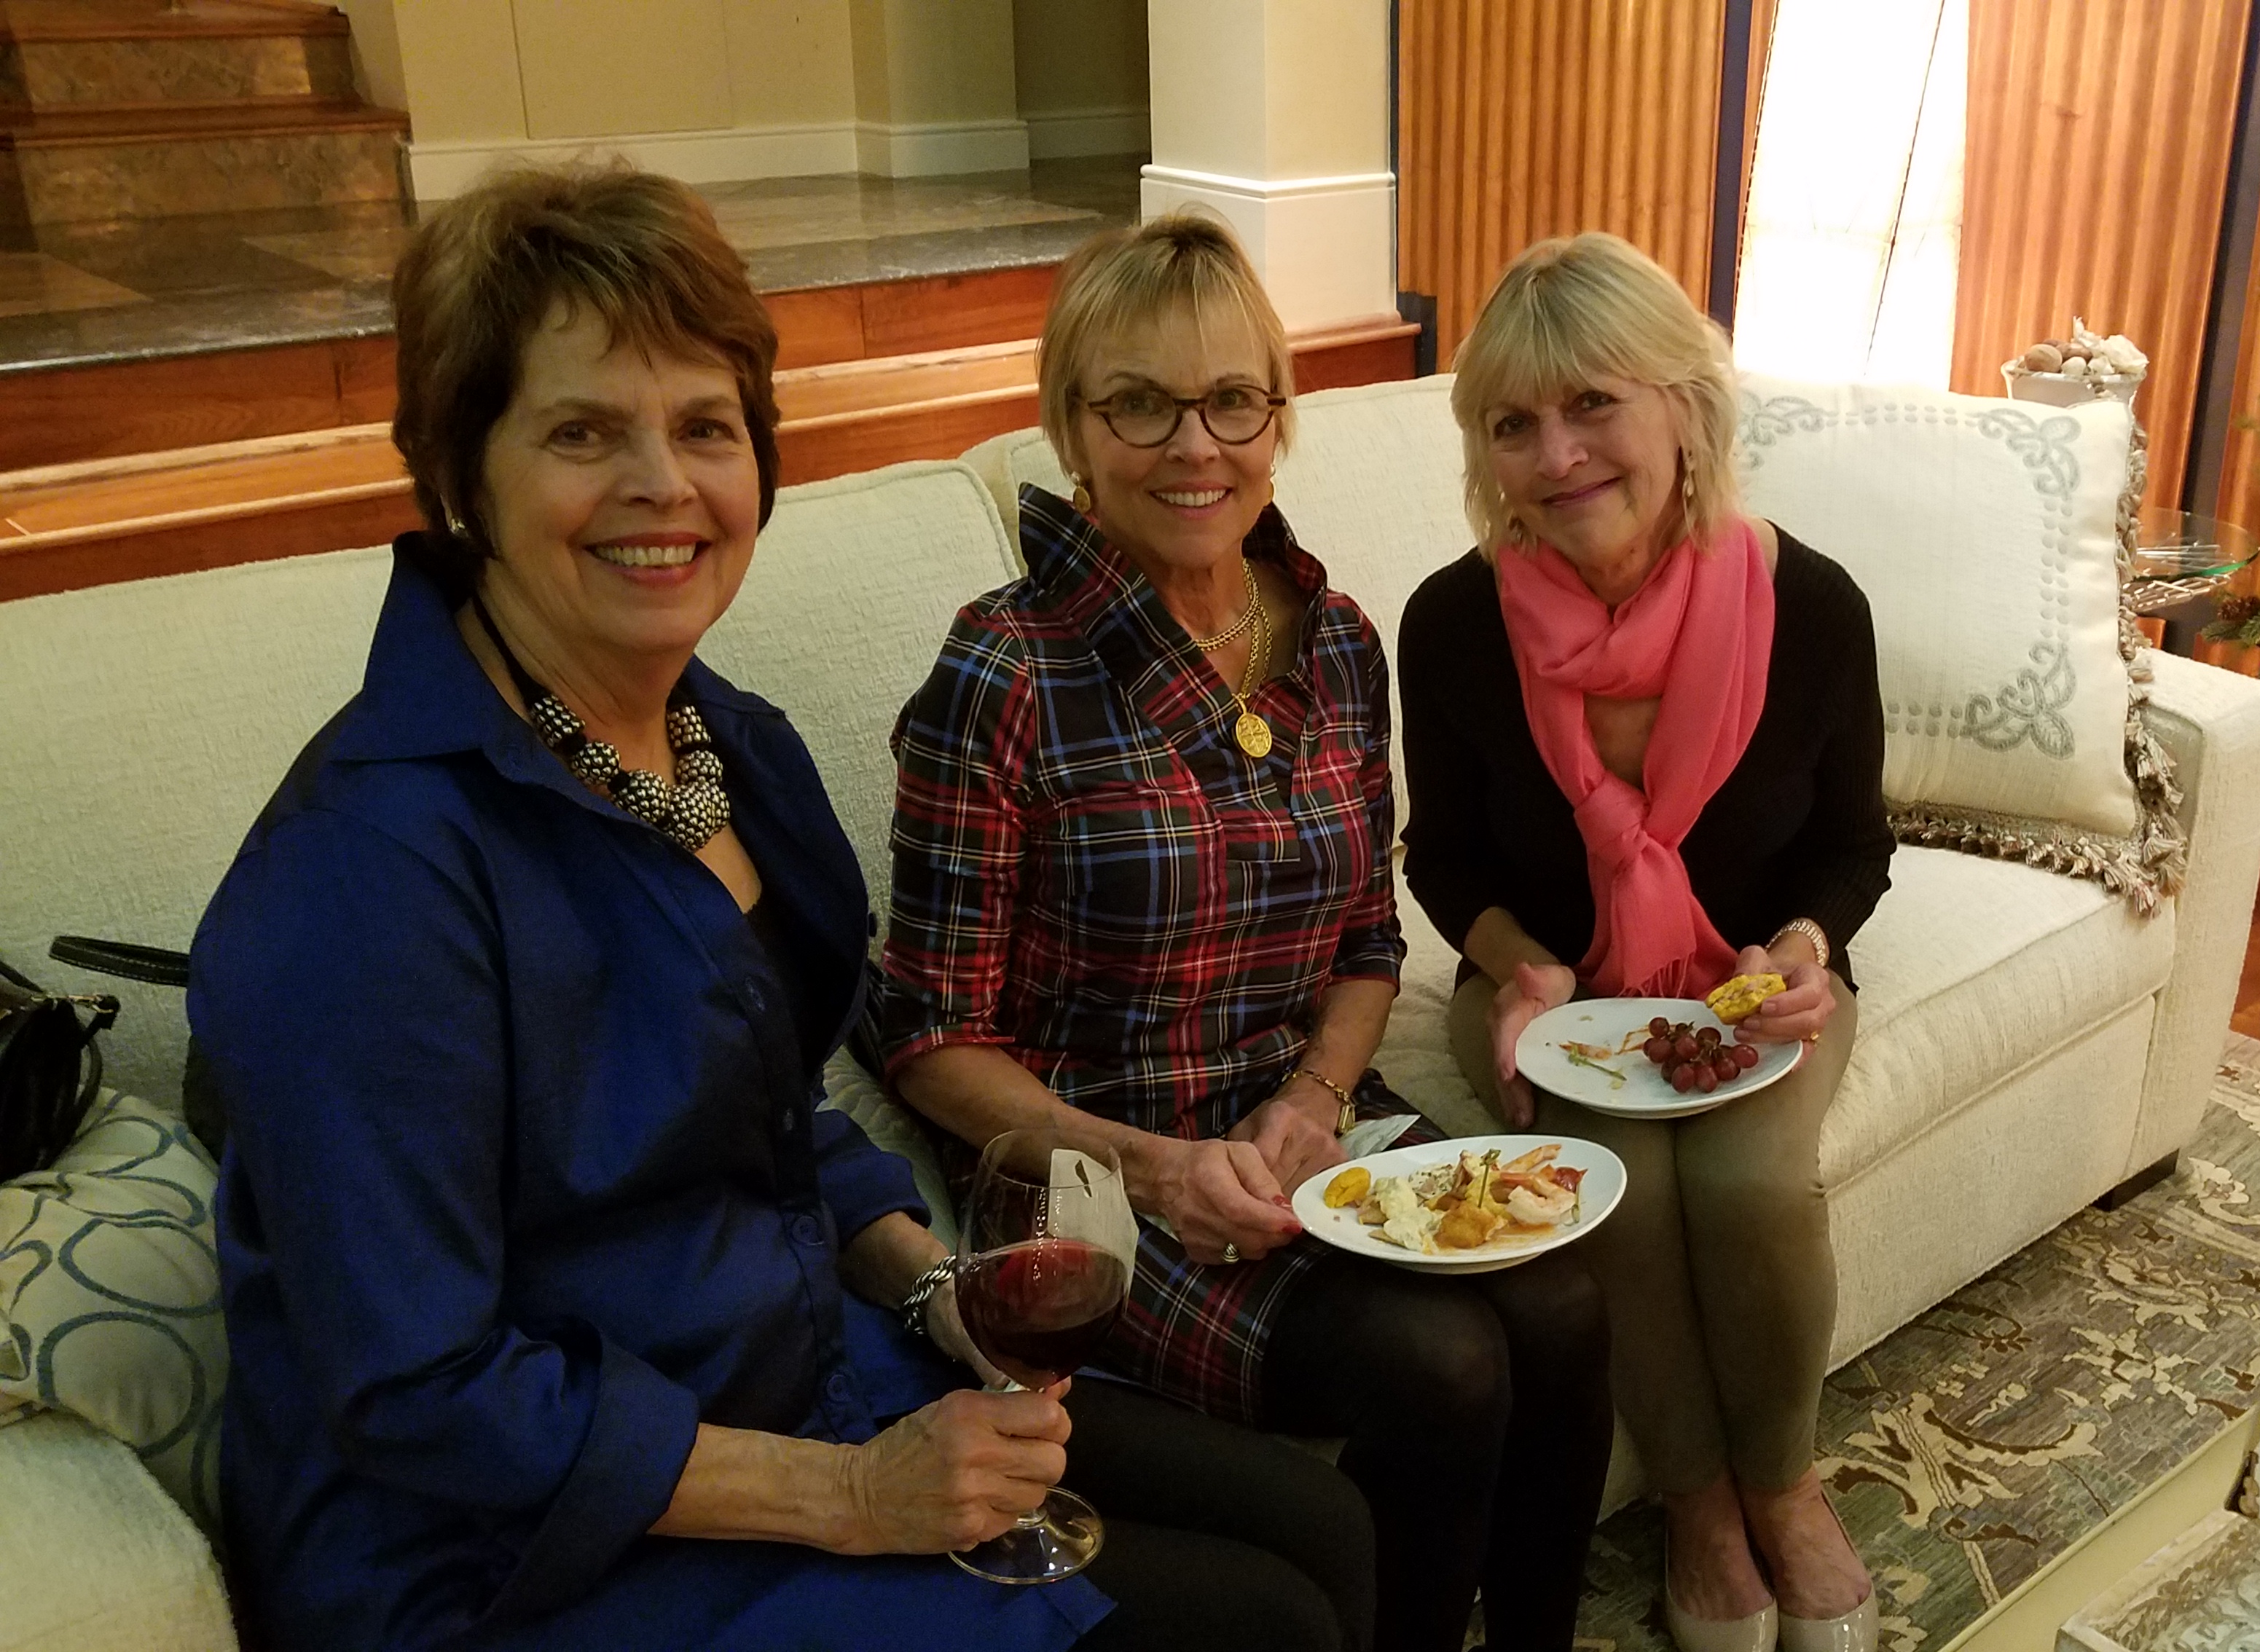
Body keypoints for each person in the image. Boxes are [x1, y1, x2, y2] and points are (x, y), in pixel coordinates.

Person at [188, 163, 1372, 1652]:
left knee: (1323, 1529)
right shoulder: (366, 872)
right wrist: (852, 1497)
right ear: (460, 472)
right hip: (518, 1549)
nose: (663, 484)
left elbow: (769, 1121)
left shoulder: (726, 749)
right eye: (581, 432)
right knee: (1262, 1626)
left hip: (792, 1377)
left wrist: (935, 1287)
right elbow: (421, 1390)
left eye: (705, 426)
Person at [871, 212, 1612, 1652]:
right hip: (1100, 1168)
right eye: (1139, 405)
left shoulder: (1334, 640)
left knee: (1569, 1305)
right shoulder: (1003, 670)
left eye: (1231, 401)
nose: (1194, 446)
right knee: (1444, 1363)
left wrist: (1315, 1096)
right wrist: (1155, 1168)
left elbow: (1367, 945)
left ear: (1280, 417)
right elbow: (931, 1040)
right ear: (1072, 429)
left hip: (1304, 1122)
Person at [1399, 232, 1896, 1652]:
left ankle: (1784, 1488)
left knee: (1748, 1184)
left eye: (1593, 404)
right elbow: (1443, 859)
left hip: (1752, 988)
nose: (1556, 456)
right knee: (1615, 1187)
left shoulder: (1812, 607)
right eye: (1514, 423)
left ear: (1685, 404)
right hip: (1545, 993)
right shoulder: (1451, 623)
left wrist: (1803, 944)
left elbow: (1854, 844)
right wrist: (1521, 964)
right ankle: (1697, 1504)